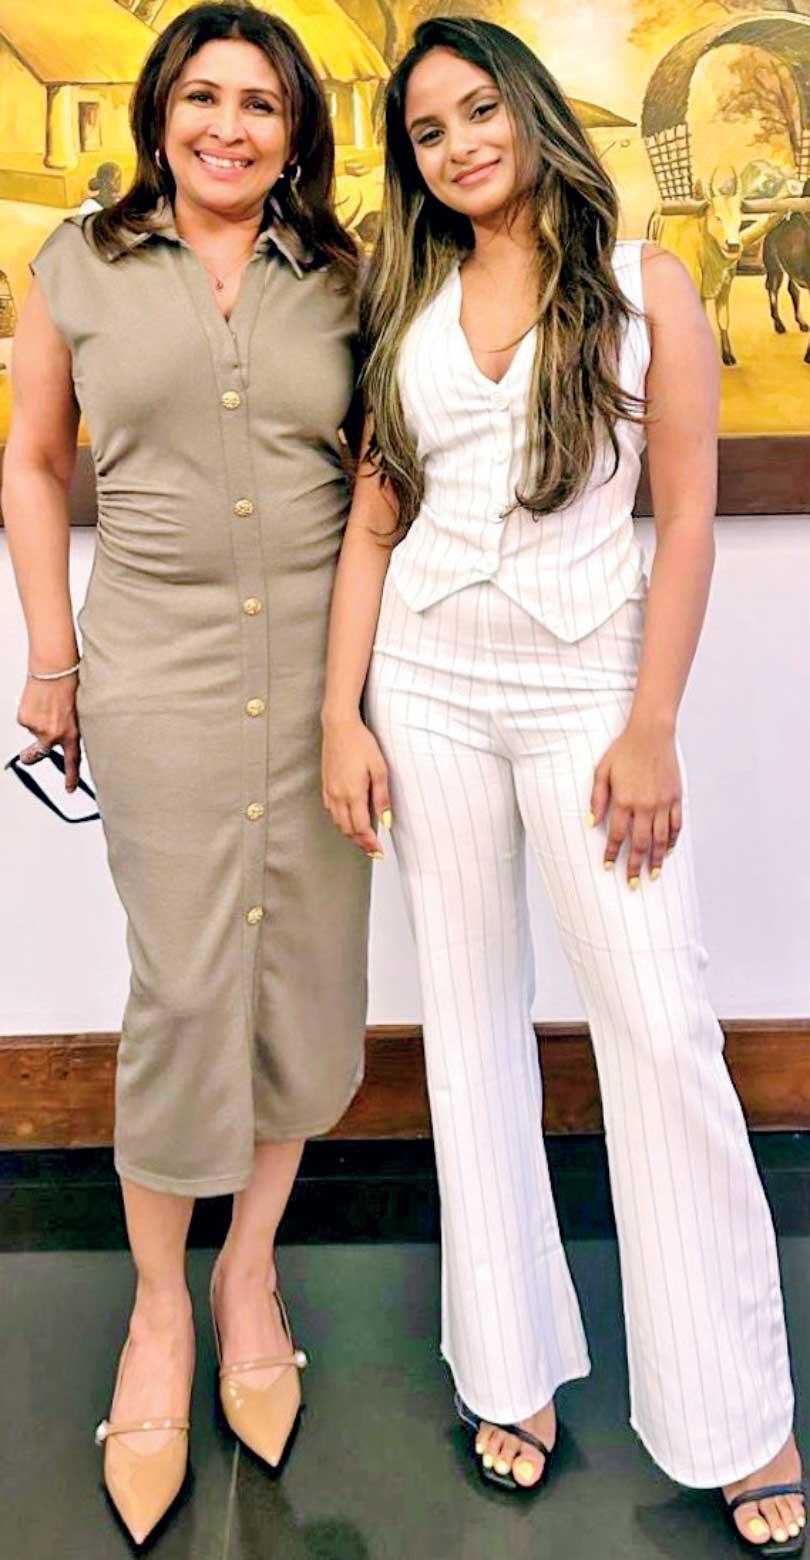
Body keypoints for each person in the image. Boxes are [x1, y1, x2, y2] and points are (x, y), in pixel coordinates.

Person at [321, 16, 805, 1552]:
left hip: (587, 694)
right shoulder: (403, 292)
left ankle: (738, 1415)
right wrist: (340, 714)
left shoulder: (644, 285)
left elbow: (686, 516)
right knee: (467, 1026)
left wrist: (651, 724)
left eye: (479, 111)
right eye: (427, 131)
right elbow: (373, 520)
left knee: (657, 1030)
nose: (459, 145)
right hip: (426, 695)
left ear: (528, 112)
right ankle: (509, 1369)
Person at [3, 1, 370, 1544]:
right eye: (204, 96)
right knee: (183, 986)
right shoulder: (76, 265)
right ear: (161, 114)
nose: (230, 125)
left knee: (302, 973)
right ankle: (160, 1306)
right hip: (154, 676)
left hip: (324, 691)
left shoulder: (348, 276)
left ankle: (248, 1272)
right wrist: (53, 659)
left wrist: (361, 700)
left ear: (296, 133)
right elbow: (35, 460)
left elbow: (379, 486)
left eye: (262, 104)